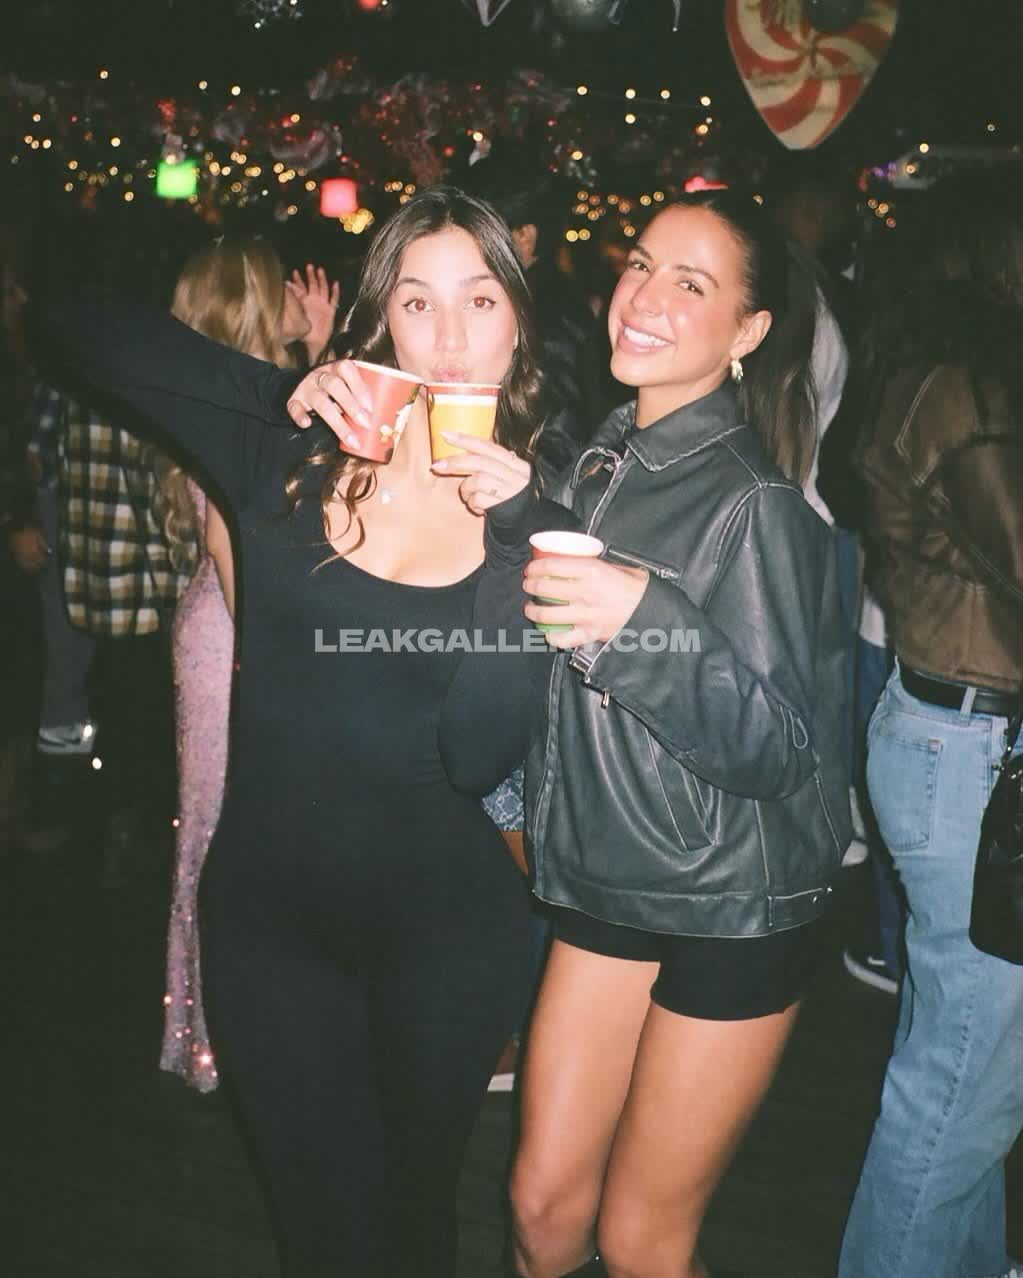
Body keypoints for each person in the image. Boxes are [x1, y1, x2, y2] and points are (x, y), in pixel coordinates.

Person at [48, 185, 573, 1278]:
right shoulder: (284, 454)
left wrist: (514, 539)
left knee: (413, 1218)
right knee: (320, 1233)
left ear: (519, 323)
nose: (449, 337)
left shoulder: (549, 513)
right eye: (417, 302)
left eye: (480, 300)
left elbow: (481, 752)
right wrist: (277, 386)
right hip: (272, 929)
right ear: (381, 322)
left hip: (449, 935)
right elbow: (75, 323)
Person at [509, 190, 852, 1278]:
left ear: (749, 333)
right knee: (540, 1214)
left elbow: (777, 749)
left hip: (733, 901)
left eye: (690, 284)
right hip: (612, 874)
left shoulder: (757, 504)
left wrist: (642, 624)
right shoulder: (601, 462)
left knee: (641, 1241)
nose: (644, 297)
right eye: (640, 264)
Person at [838, 176, 1023, 1278]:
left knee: (964, 1052)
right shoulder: (964, 393)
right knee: (963, 1072)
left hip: (949, 734)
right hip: (973, 750)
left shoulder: (932, 375)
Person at [157, 237, 335, 1093]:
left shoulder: (240, 393)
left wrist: (319, 348)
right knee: (228, 831)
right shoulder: (242, 412)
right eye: (285, 288)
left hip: (220, 619)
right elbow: (242, 554)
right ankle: (221, 1037)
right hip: (235, 628)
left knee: (229, 827)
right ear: (259, 303)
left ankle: (227, 1029)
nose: (304, 295)